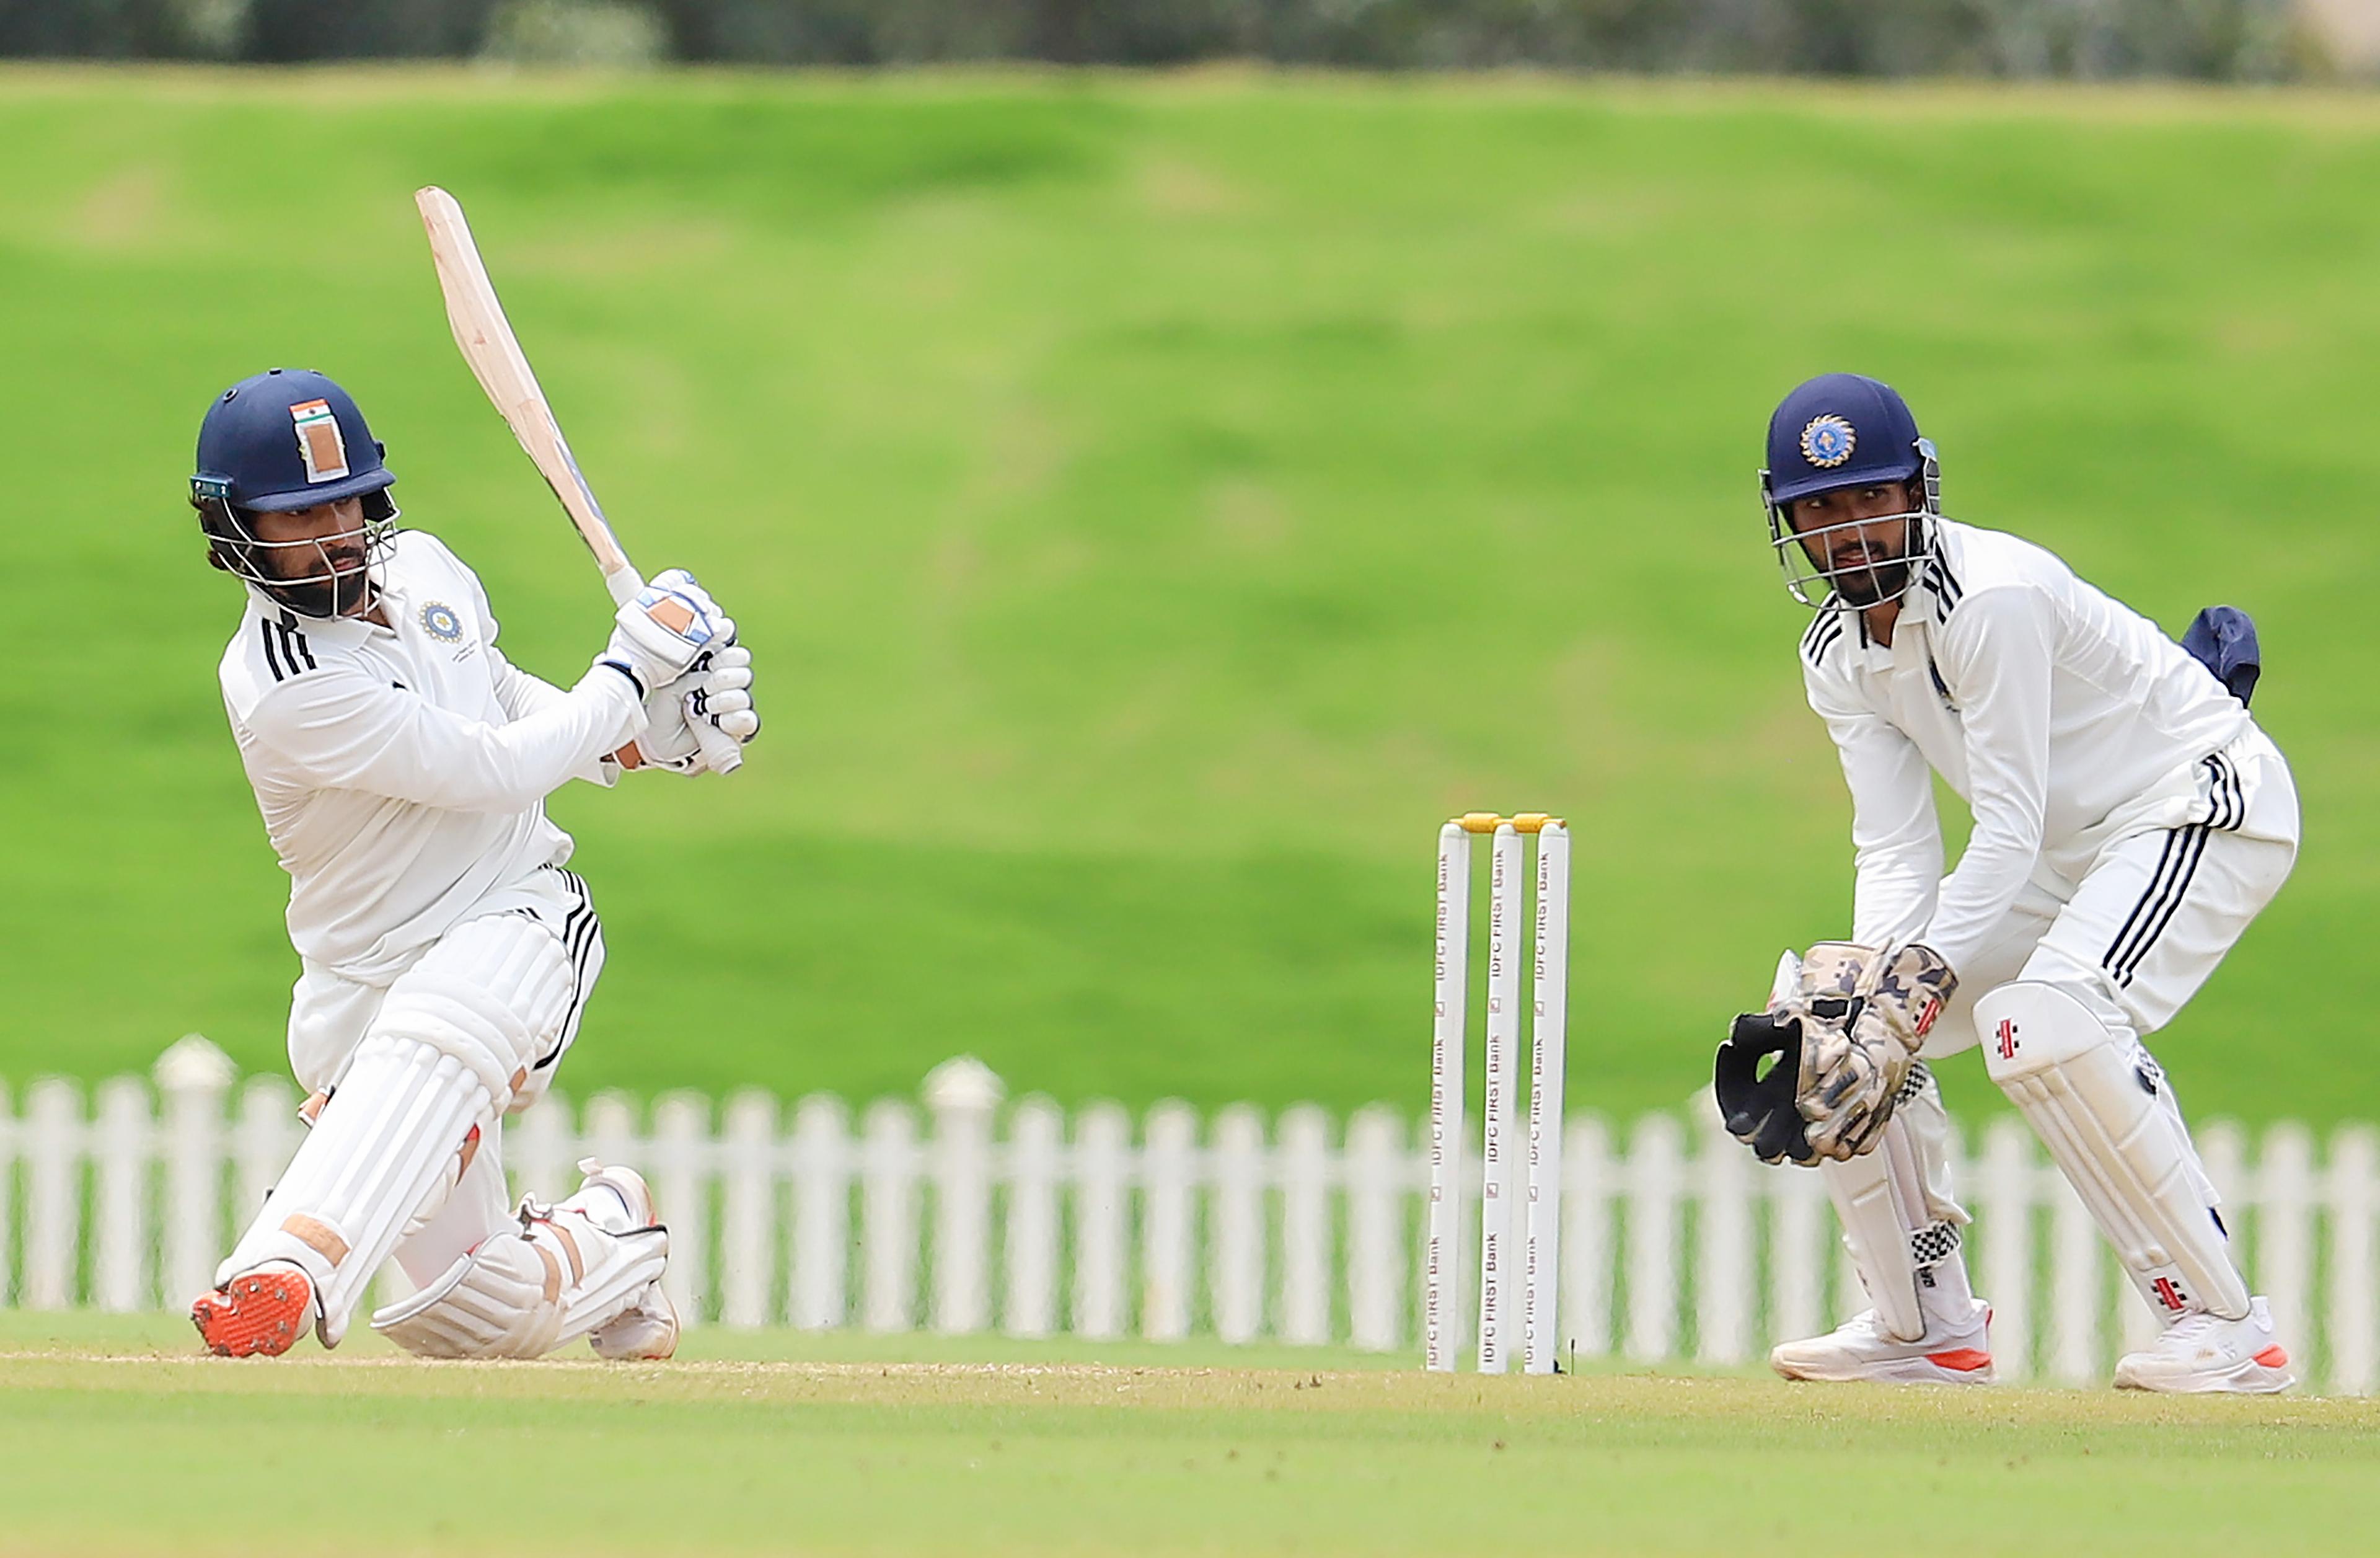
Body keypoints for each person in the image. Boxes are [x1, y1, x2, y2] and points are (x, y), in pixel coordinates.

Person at [1722, 373, 2298, 1393]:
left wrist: (1914, 989)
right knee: (1827, 1024)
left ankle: (2226, 1327)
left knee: (2048, 1018)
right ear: (1788, 522)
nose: (1849, 530)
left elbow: (2006, 822)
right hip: (2059, 853)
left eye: (1870, 497)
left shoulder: (1990, 600)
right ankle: (1926, 1327)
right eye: (1821, 508)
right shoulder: (1835, 652)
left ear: (1918, 491)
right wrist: (1874, 1001)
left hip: (2196, 801)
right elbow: (1895, 848)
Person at [182, 368, 759, 1360]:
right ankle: (613, 1233)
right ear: (235, 530)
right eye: (299, 516)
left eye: (346, 503)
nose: (335, 533)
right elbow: (492, 768)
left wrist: (639, 738)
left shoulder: (428, 570)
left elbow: (502, 699)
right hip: (358, 984)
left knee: (443, 1015)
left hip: (518, 918)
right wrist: (630, 676)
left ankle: (287, 1263)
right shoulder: (284, 685)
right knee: (490, 1313)